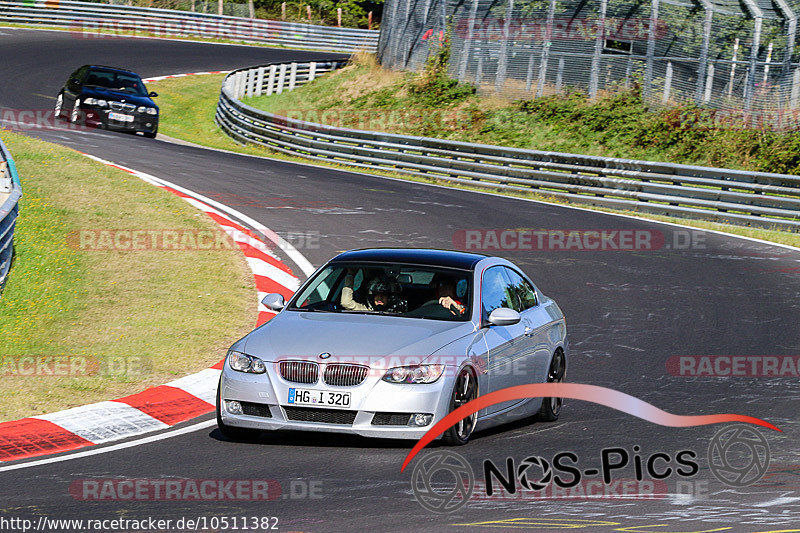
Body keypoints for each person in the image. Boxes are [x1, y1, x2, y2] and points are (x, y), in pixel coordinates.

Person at [341, 269, 406, 312]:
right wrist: (350, 275)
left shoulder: (398, 313)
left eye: (384, 295)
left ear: (390, 298)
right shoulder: (365, 310)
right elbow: (346, 303)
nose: (380, 298)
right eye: (377, 294)